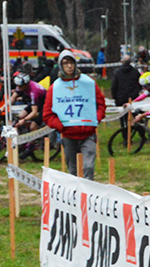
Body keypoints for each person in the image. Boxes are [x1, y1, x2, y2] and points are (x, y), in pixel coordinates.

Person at [43, 49, 106, 179]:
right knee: (73, 170)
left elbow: (101, 104)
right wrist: (61, 126)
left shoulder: (88, 83)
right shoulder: (55, 87)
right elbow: (48, 114)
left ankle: (88, 195)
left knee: (88, 167)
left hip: (88, 133)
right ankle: (76, 197)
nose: (69, 66)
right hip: (68, 135)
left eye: (71, 62)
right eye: (65, 63)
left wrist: (96, 119)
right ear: (61, 65)